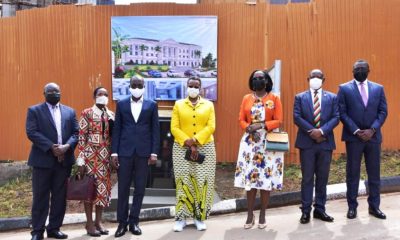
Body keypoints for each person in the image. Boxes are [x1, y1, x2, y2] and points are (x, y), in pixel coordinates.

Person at [26, 83, 79, 240]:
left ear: (60, 93)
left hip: (63, 162)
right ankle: (37, 231)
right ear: (44, 93)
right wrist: (51, 147)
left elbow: (77, 133)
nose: (54, 93)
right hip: (42, 161)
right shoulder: (34, 110)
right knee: (40, 197)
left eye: (56, 91)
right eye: (50, 91)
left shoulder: (70, 112)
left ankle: (54, 228)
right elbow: (31, 132)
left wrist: (67, 146)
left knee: (59, 197)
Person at [338, 59, 388, 220]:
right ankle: (352, 207)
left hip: (373, 138)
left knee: (374, 174)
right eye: (356, 69)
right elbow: (342, 112)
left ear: (368, 70)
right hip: (354, 138)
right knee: (352, 173)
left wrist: (372, 129)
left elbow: (383, 111)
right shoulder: (344, 89)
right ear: (352, 71)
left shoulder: (378, 89)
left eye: (362, 68)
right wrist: (356, 130)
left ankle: (374, 207)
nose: (359, 71)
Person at [111, 76, 160, 237]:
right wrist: (114, 152)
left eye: (140, 85)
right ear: (129, 86)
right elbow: (117, 129)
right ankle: (122, 223)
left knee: (140, 188)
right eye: (134, 85)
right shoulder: (122, 104)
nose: (137, 88)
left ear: (144, 87)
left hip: (144, 154)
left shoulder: (152, 105)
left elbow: (155, 130)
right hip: (124, 153)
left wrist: (154, 152)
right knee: (123, 189)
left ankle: (134, 222)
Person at [234, 70, 283, 229]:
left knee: (265, 180)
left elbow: (278, 120)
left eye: (261, 78)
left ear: (267, 81)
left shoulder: (274, 98)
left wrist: (262, 125)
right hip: (250, 143)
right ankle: (250, 214)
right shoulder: (246, 98)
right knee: (251, 179)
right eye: (255, 78)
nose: (258, 80)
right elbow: (241, 119)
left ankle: (262, 214)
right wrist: (249, 128)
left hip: (268, 143)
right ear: (251, 81)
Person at [293, 69, 340, 224]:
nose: (315, 78)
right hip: (307, 144)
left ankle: (320, 209)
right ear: (308, 78)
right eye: (313, 76)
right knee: (307, 178)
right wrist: (311, 132)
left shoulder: (333, 97)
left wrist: (321, 131)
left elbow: (336, 117)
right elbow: (297, 117)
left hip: (325, 142)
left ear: (323, 79)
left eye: (318, 77)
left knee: (322, 178)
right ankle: (305, 211)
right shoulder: (300, 97)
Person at [171, 76, 216, 232]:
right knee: (183, 181)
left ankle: (199, 217)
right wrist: (188, 142)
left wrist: (196, 140)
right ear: (187, 86)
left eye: (196, 86)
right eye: (191, 85)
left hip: (205, 147)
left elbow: (211, 126)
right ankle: (181, 218)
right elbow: (174, 128)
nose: (193, 88)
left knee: (202, 181)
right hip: (181, 148)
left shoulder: (209, 105)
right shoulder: (178, 104)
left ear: (200, 88)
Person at [76, 87, 114, 236]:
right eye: (100, 94)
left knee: (102, 191)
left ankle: (98, 221)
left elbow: (112, 137)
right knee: (89, 190)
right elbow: (81, 137)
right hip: (90, 158)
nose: (103, 97)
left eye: (105, 95)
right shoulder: (87, 113)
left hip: (105, 159)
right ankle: (89, 223)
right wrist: (81, 161)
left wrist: (113, 157)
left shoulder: (111, 115)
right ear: (94, 96)